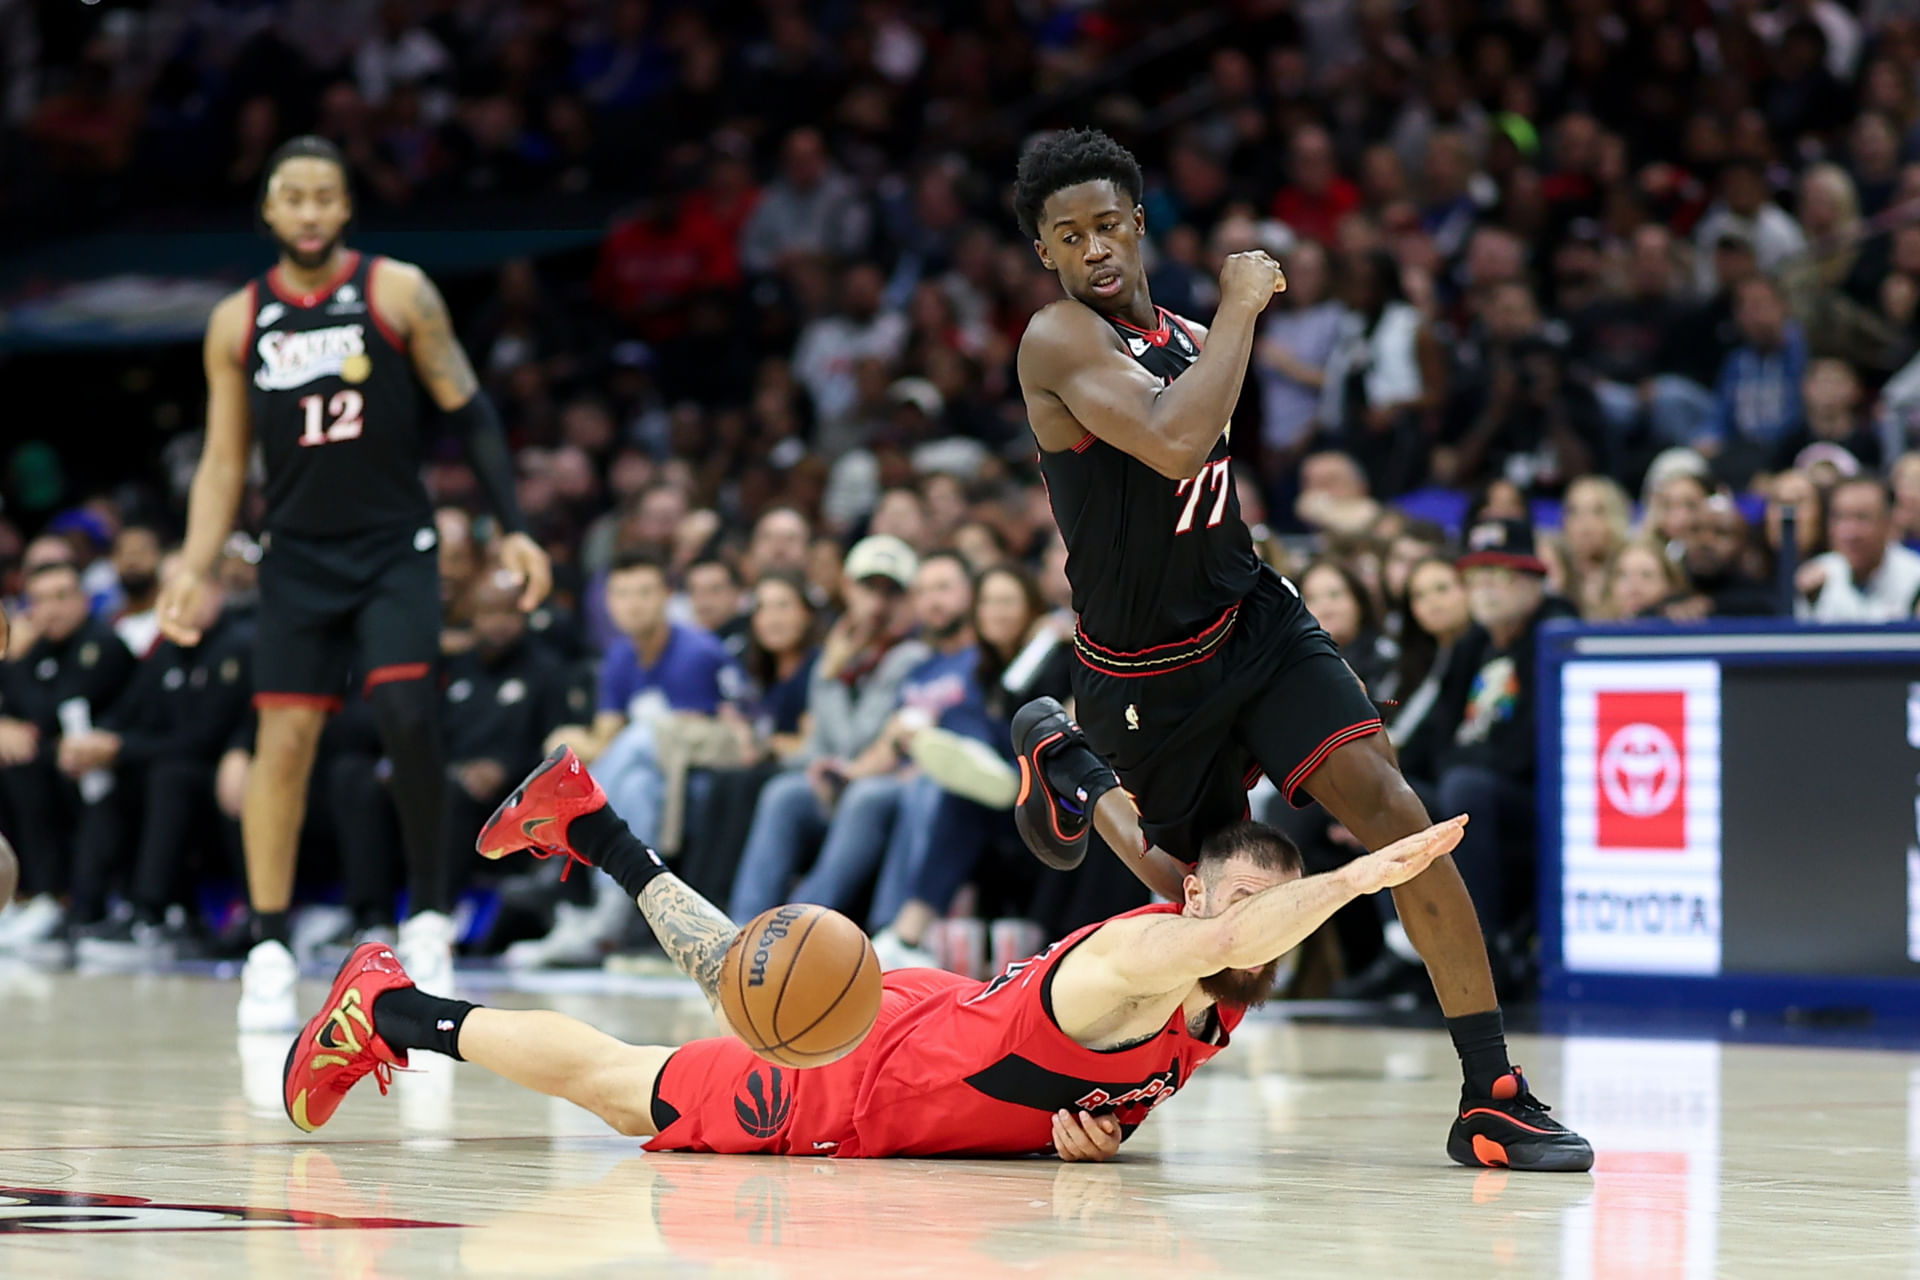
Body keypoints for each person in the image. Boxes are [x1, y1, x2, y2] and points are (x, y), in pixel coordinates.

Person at [1007, 128, 1589, 1172]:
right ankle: (1073, 767)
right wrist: (1243, 303)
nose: (1093, 249)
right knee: (1212, 918)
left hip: (1255, 619)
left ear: (1137, 225)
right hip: (1146, 672)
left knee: (1398, 813)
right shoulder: (1056, 338)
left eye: (1106, 225)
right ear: (1047, 256)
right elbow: (1178, 441)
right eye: (1068, 236)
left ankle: (1490, 1093)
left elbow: (1206, 484)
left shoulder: (1189, 332)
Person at [281, 745, 1478, 1163]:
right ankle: (390, 1007)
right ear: (1202, 895)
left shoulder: (1223, 991)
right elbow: (1228, 934)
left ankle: (593, 824)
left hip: (944, 1018)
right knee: (625, 1087)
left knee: (732, 978)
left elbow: (1131, 1054)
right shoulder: (1157, 951)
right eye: (1251, 900)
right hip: (869, 1076)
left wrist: (1097, 1123)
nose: (1270, 921)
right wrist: (1364, 874)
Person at [154, 136, 553, 1030]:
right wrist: (192, 563)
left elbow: (472, 410)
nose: (307, 212)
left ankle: (432, 918)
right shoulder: (237, 319)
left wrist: (516, 531)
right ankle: (266, 942)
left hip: (392, 548)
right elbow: (224, 462)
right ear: (268, 210)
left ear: (345, 209)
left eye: (323, 196)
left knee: (410, 719)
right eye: (290, 197)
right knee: (283, 741)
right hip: (294, 556)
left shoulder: (398, 289)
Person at [0, 560, 138, 955]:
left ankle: (64, 901)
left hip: (116, 769)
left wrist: (22, 730)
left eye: (62, 597)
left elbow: (54, 709)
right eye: (39, 600)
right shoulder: (33, 652)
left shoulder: (103, 645)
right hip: (59, 766)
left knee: (31, 765)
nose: (51, 609)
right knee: (16, 764)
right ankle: (25, 897)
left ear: (84, 600)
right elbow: (23, 715)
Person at [1796, 476, 1920, 621]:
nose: (1850, 533)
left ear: (1888, 524)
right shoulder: (1814, 579)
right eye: (1840, 518)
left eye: (1862, 518)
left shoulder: (1915, 578)